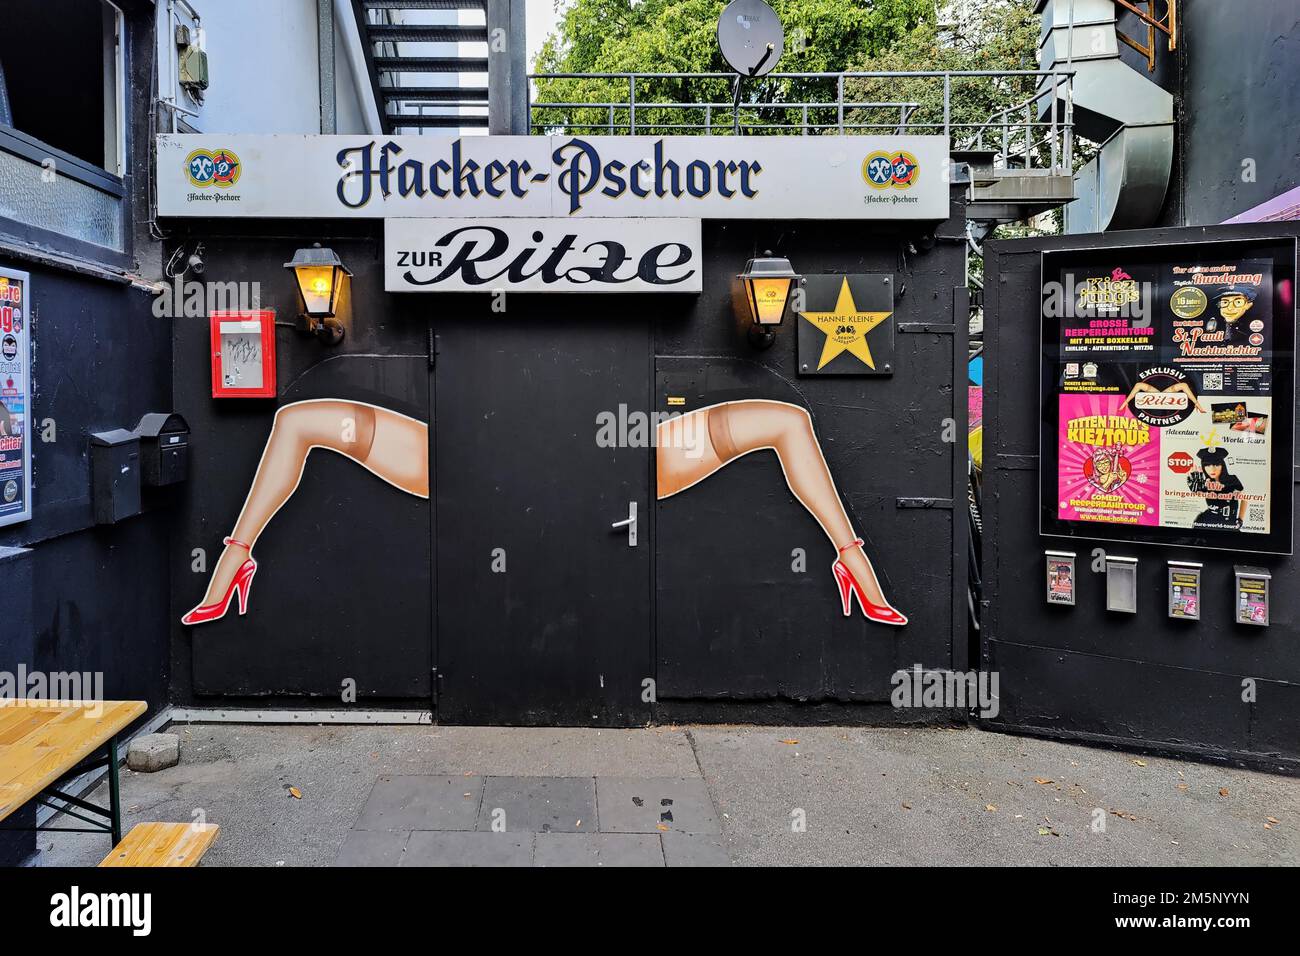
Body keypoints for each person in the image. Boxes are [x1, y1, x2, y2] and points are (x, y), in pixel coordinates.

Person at [184, 398, 906, 627]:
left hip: (571, 454)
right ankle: (233, 561)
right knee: (302, 418)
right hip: (488, 455)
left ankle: (854, 563)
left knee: (785, 418)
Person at [1186, 447, 1245, 529]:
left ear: (1222, 465)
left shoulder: (1232, 480)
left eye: (1216, 465)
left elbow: (1244, 499)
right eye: (1207, 465)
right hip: (1206, 523)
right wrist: (1195, 491)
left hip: (1229, 523)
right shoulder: (1204, 483)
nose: (1212, 469)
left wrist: (1240, 519)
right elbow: (1197, 494)